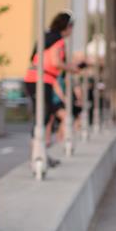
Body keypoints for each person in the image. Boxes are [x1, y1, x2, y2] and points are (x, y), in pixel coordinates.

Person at [23, 11, 77, 167]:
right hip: (41, 80)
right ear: (66, 26)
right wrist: (71, 67)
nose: (72, 31)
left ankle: (39, 154)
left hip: (37, 79)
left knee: (44, 116)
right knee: (43, 116)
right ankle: (37, 156)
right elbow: (55, 62)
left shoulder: (47, 37)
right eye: (71, 27)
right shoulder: (58, 41)